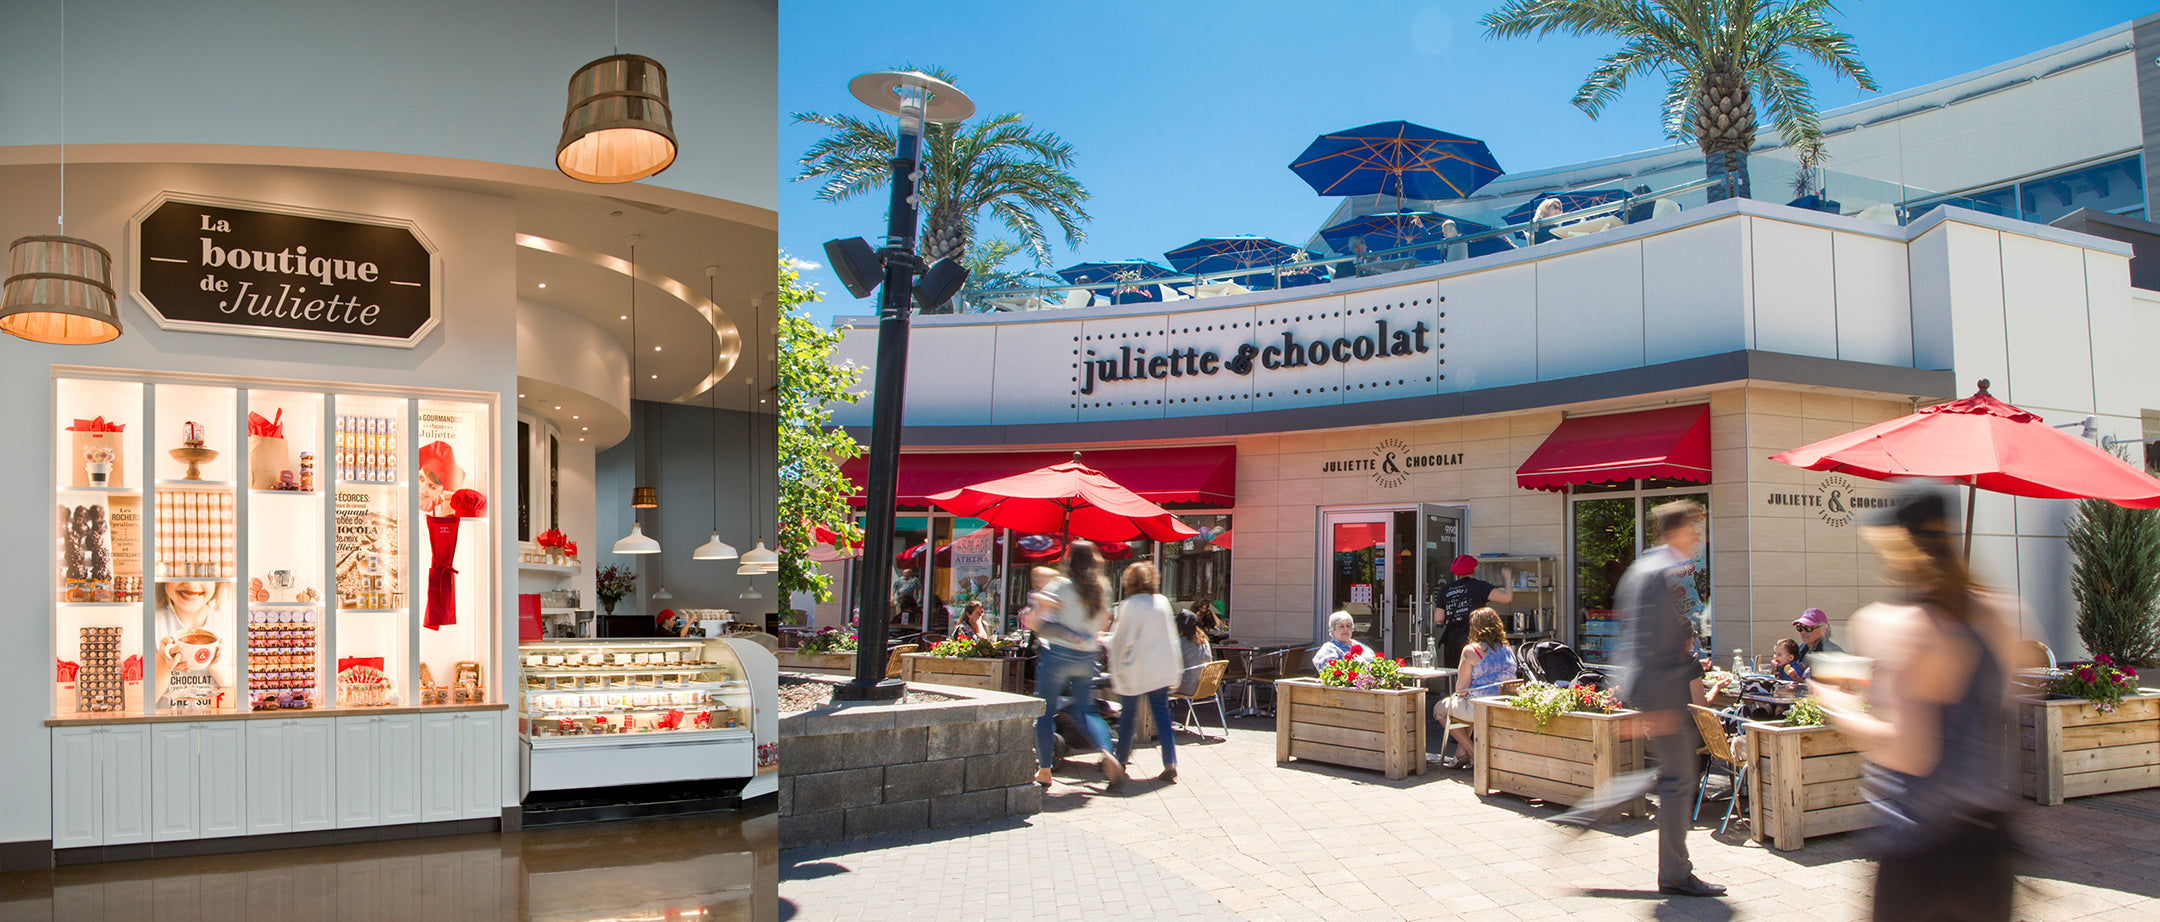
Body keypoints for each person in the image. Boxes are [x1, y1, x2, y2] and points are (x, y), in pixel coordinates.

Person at [1811, 484, 2019, 922]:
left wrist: (1835, 702)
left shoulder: (1901, 624)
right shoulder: (1998, 613)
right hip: (1991, 848)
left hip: (1922, 850)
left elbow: (1911, 751)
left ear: (1900, 542)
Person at [1552, 500, 1726, 898]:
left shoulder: (1651, 568)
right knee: (1680, 778)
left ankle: (1590, 816)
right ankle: (1675, 873)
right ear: (1675, 532)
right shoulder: (1658, 573)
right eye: (1694, 529)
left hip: (1659, 690)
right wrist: (1657, 703)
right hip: (1663, 693)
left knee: (1673, 776)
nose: (1699, 537)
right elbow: (1646, 640)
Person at [1028, 544, 1125, 790]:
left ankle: (1045, 770)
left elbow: (1037, 619)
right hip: (1087, 657)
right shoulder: (1102, 587)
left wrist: (1038, 609)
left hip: (1058, 654)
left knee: (1045, 712)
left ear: (1070, 560)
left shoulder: (1060, 585)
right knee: (1087, 711)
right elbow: (1105, 620)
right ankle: (1107, 751)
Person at [1106, 563, 1182, 783]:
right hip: (1159, 669)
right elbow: (1170, 636)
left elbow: (1122, 640)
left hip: (1135, 670)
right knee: (1162, 717)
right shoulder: (1162, 603)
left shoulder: (1128, 605)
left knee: (1128, 717)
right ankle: (1170, 762)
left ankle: (1120, 761)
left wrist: (1115, 666)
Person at [1434, 608, 1516, 770]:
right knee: (1465, 706)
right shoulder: (1508, 649)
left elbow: (1461, 690)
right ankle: (1460, 753)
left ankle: (1474, 753)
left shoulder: (1471, 650)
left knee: (1440, 710)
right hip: (1503, 707)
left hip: (1479, 708)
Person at [1436, 555, 1513, 672]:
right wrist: (1507, 577)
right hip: (1473, 636)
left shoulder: (1446, 589)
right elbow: (1506, 598)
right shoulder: (1479, 586)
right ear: (1473, 569)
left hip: (1451, 639)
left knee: (1453, 675)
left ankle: (1454, 691)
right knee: (1472, 674)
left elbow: (1438, 618)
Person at [1174, 610, 1213, 697]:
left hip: (1188, 687)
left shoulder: (1180, 643)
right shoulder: (1205, 641)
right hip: (1205, 686)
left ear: (1180, 626)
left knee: (1159, 685)